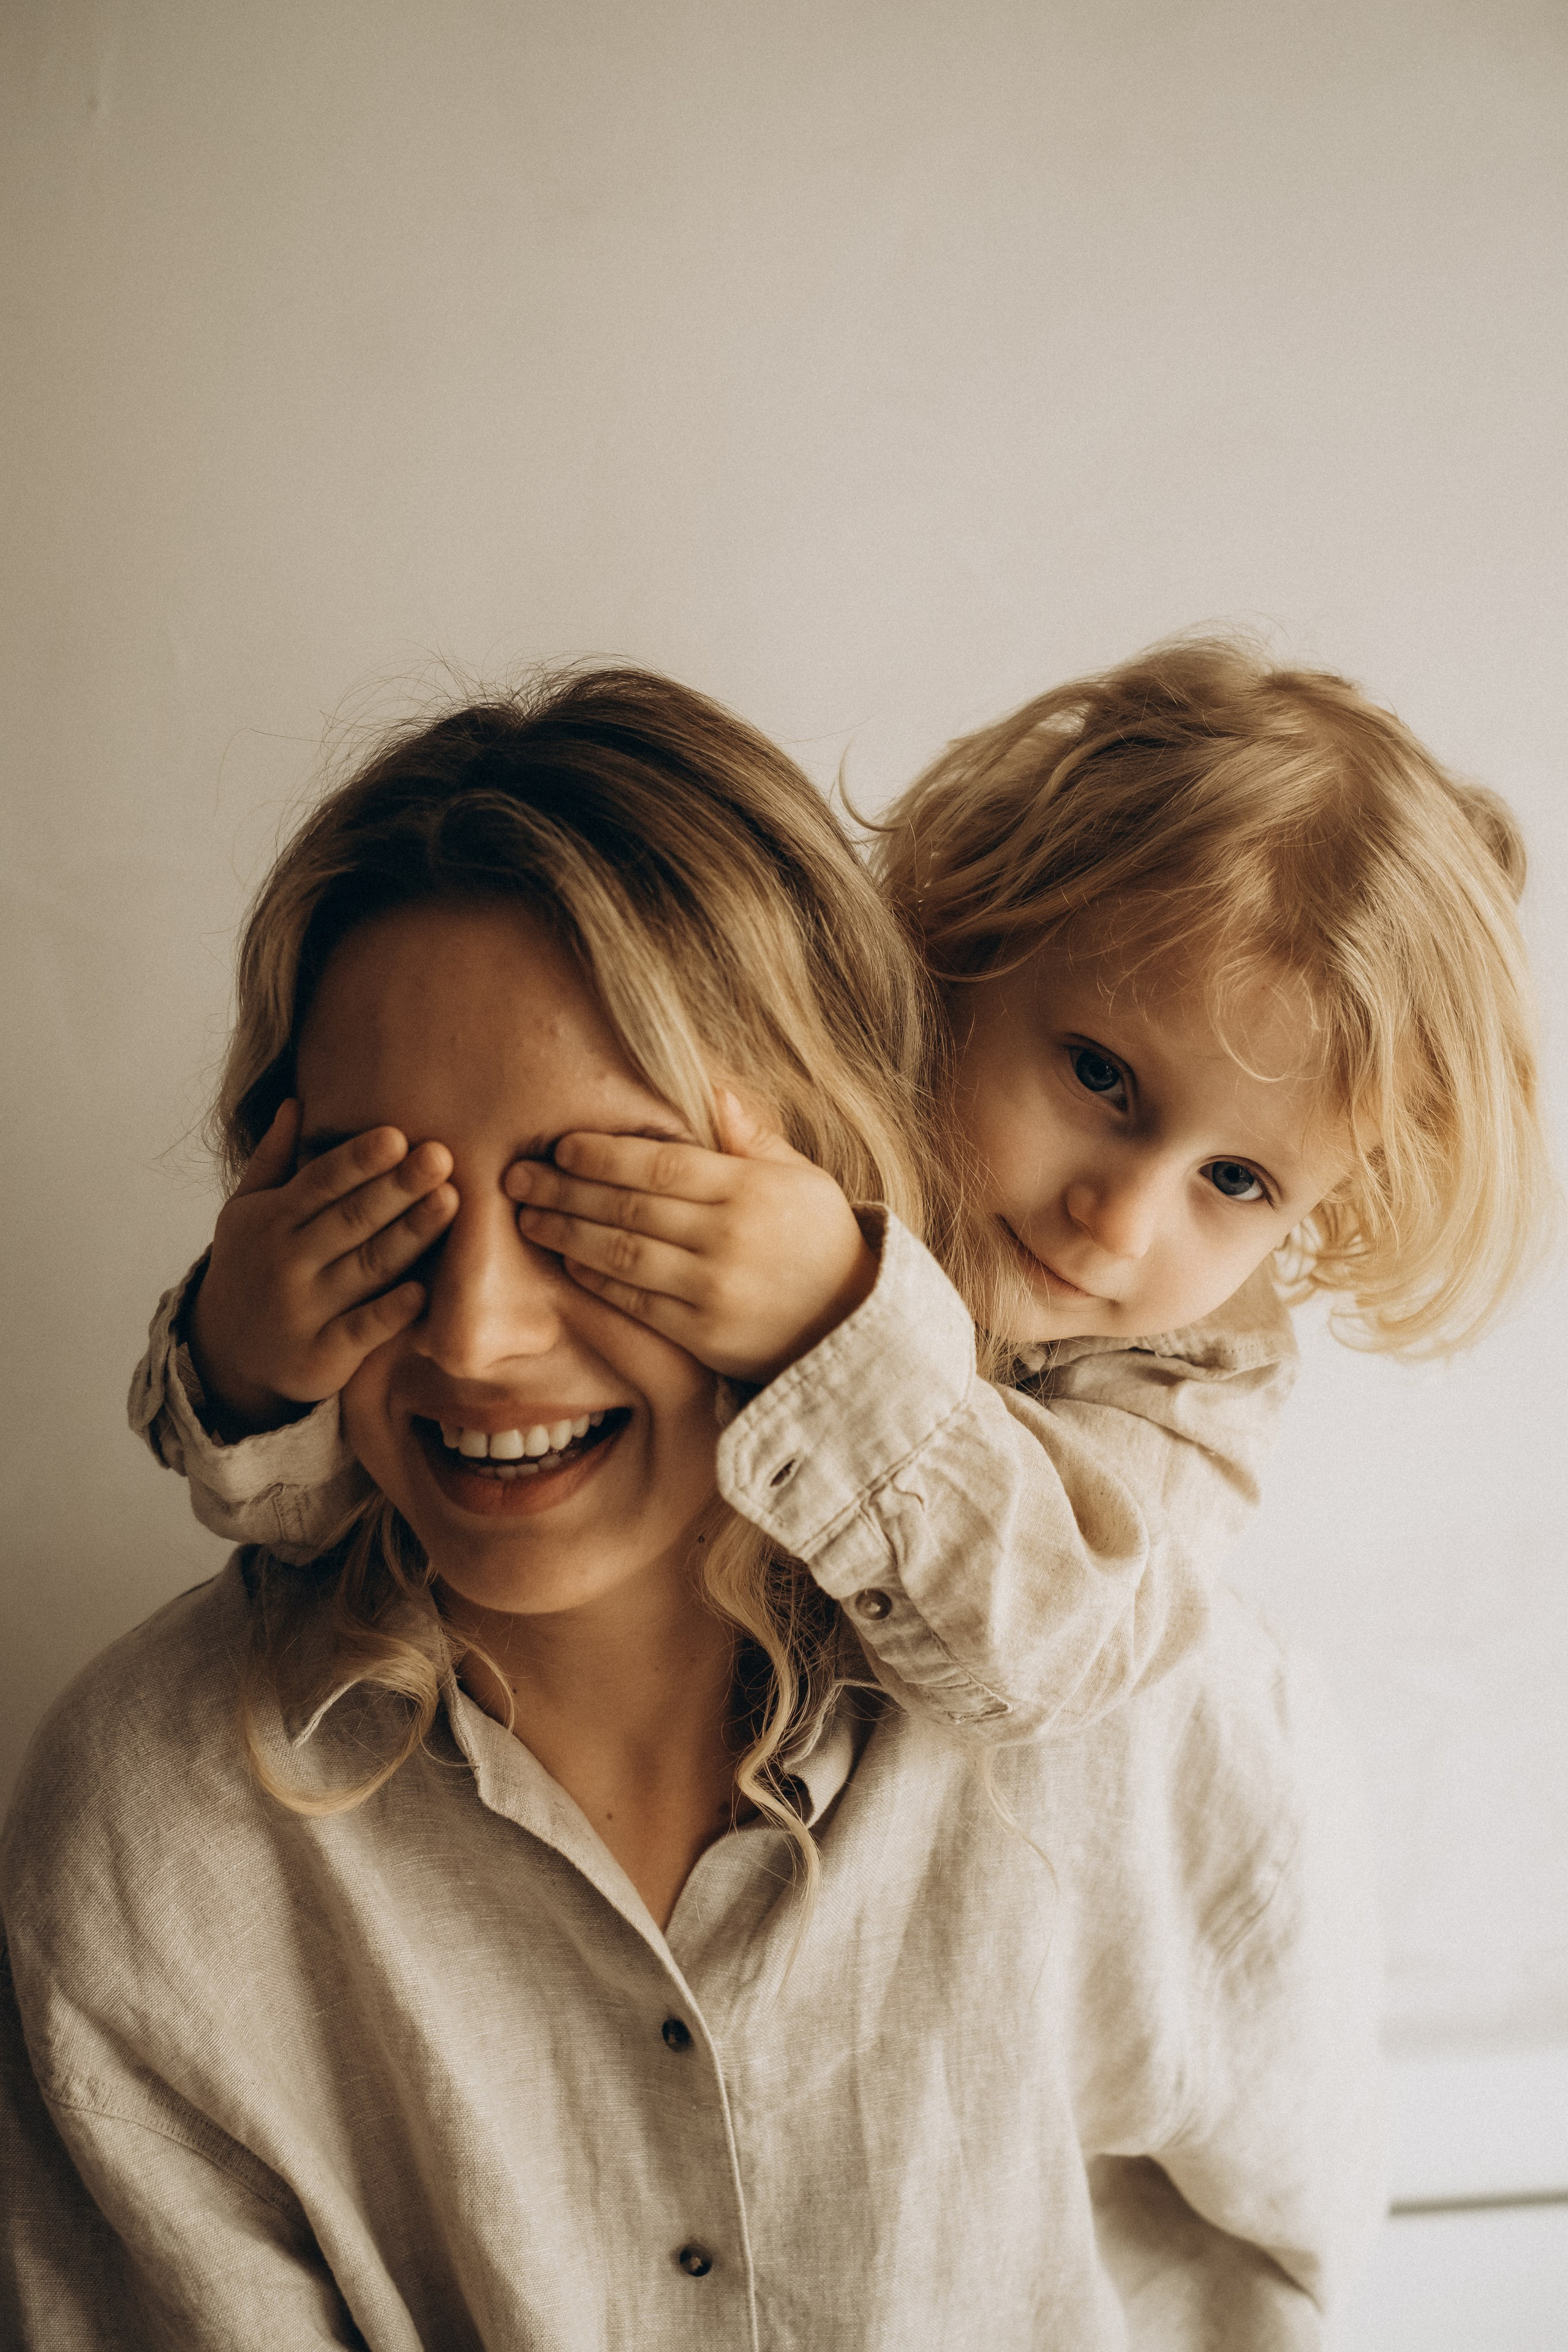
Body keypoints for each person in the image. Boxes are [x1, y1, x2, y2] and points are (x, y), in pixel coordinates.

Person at [5, 665, 1389, 2346]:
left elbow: (1277, 2265)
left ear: (835, 1220)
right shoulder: (145, 1851)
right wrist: (237, 1359)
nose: (477, 1332)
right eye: (383, 1217)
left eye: (603, 1205)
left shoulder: (1153, 1699)